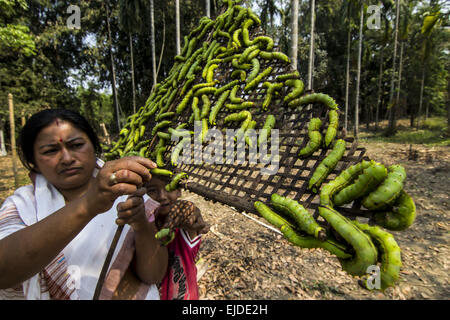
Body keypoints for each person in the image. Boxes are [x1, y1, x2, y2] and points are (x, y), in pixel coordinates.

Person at [0, 109, 168, 300]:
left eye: (77, 145)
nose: (67, 158)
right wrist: (89, 204)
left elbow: (154, 274)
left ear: (94, 146)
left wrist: (141, 225)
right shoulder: (23, 207)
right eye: (51, 151)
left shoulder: (129, 192)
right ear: (34, 162)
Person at [145, 174, 210, 300]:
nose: (162, 196)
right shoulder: (142, 227)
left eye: (169, 188)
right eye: (152, 190)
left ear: (179, 191)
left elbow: (191, 219)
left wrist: (190, 209)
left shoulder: (182, 227)